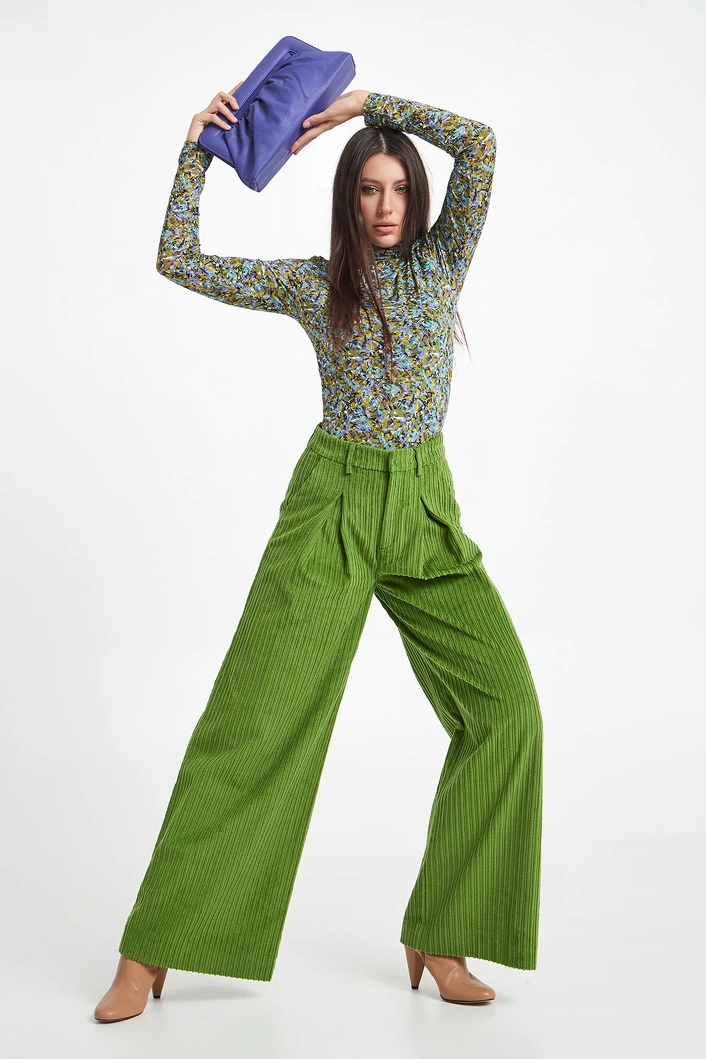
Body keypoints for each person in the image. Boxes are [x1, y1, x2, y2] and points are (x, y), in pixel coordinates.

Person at [93, 81, 543, 1024]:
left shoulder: (443, 264)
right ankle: (150, 950)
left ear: (418, 197)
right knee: (253, 725)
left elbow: (481, 142)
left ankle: (443, 931)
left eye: (399, 188)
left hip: (425, 511)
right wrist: (196, 153)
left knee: (507, 709)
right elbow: (178, 259)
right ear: (348, 199)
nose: (385, 205)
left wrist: (369, 105)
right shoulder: (316, 283)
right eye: (368, 189)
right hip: (333, 509)